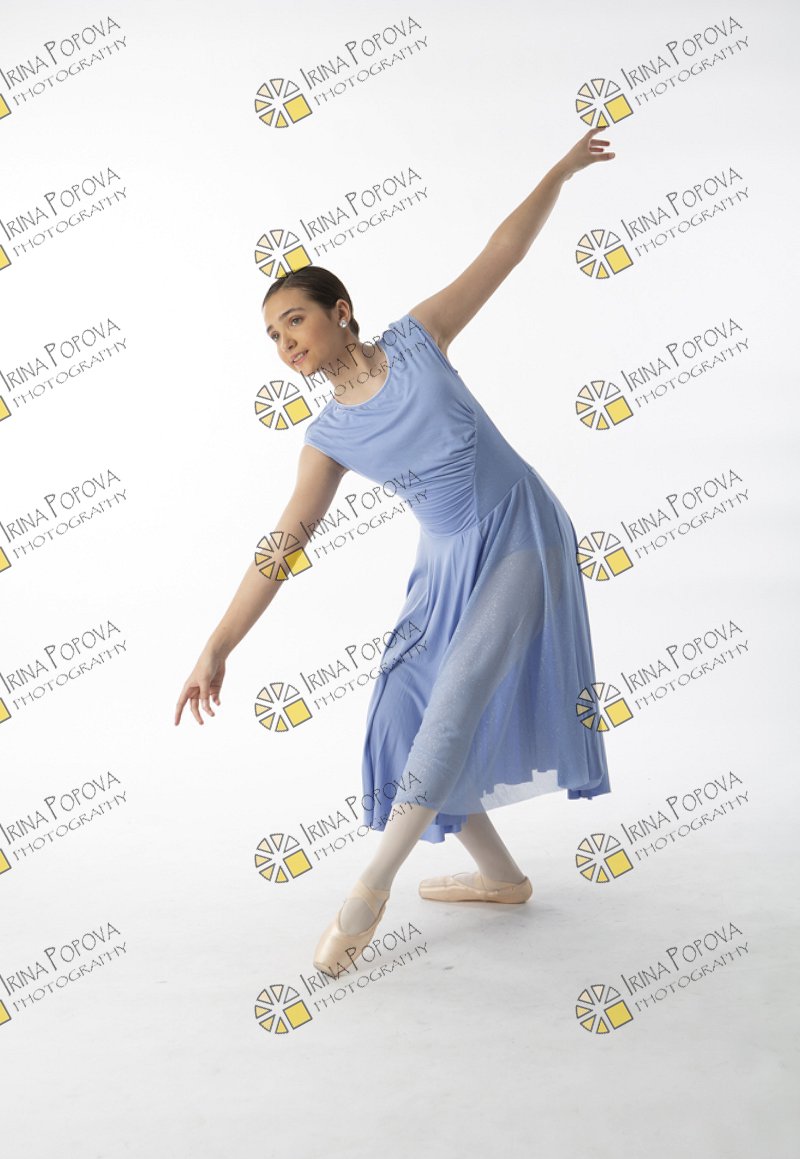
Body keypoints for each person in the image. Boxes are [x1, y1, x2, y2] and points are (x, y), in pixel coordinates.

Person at [175, 125, 616, 979]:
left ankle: (369, 888)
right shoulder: (327, 437)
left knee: (455, 697)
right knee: (403, 710)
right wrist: (218, 645)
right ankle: (502, 878)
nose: (285, 342)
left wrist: (560, 170)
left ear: (340, 311)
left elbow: (501, 252)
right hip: (444, 562)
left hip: (520, 530)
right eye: (272, 335)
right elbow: (281, 546)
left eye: (294, 319)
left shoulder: (419, 339)